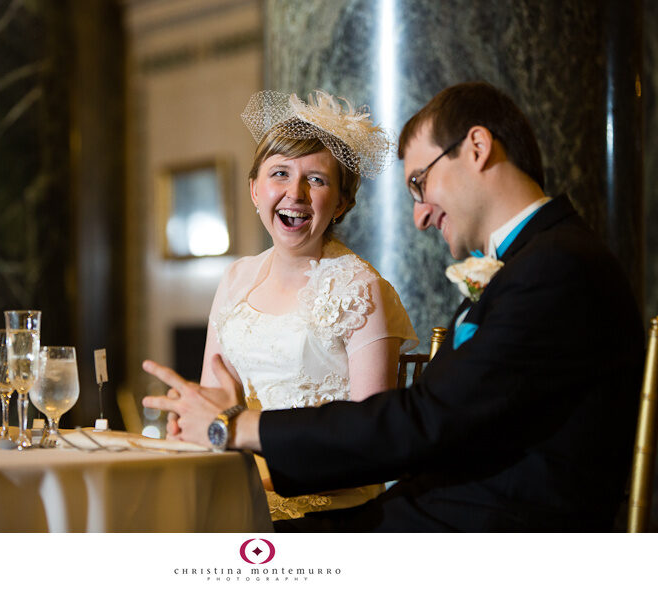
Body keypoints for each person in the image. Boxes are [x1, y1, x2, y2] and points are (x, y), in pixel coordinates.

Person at [143, 81, 644, 531]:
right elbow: (445, 418)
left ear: (476, 148)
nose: (420, 214)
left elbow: (423, 421)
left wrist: (237, 427)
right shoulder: (536, 262)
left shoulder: (556, 268)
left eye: (420, 183)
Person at [197, 90, 418, 520]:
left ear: (341, 203)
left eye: (316, 180)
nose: (294, 193)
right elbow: (212, 400)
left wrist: (264, 475)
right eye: (279, 173)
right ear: (255, 190)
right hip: (237, 501)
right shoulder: (235, 278)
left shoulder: (360, 286)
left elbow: (372, 441)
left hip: (329, 517)